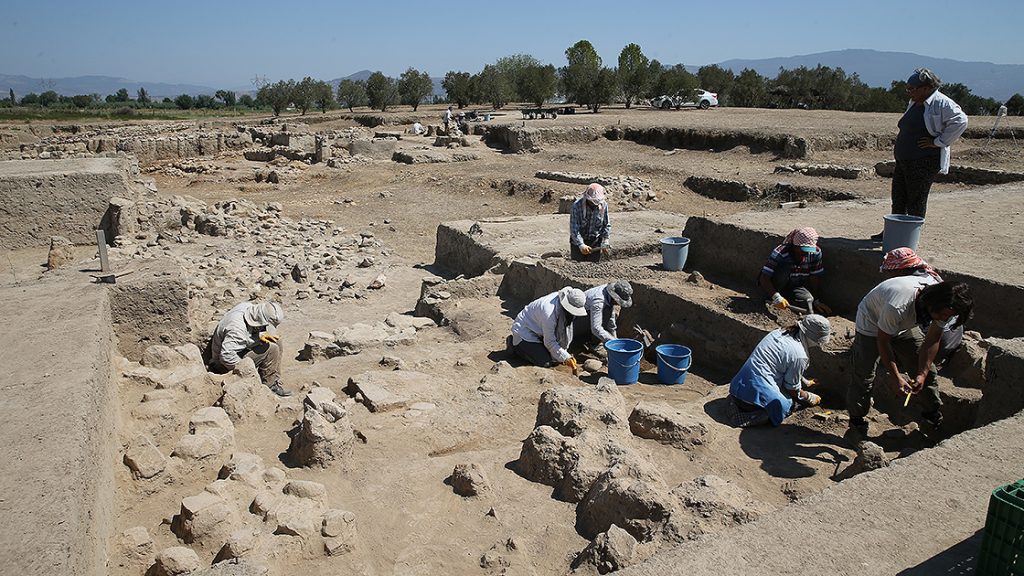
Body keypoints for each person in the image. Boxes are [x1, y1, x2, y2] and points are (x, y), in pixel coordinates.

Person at [847, 279, 973, 440]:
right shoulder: (898, 306)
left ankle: (932, 417)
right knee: (864, 373)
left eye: (948, 316)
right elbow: (883, 341)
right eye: (942, 315)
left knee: (929, 373)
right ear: (932, 303)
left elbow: (933, 339)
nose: (944, 317)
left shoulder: (946, 304)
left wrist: (922, 373)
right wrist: (895, 377)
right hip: (872, 323)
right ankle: (857, 423)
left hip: (903, 325)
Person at [872, 68, 968, 240]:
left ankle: (909, 237)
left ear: (925, 88)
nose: (909, 93)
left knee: (916, 199)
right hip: (905, 159)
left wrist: (938, 142)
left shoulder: (941, 103)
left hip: (923, 160)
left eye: (912, 89)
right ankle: (893, 231)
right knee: (899, 196)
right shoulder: (915, 102)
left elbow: (961, 121)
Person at [726, 315, 831, 427]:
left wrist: (805, 382)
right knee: (786, 405)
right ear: (814, 338)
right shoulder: (800, 355)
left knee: (776, 389)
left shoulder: (779, 332)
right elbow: (792, 389)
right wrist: (808, 397)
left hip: (738, 385)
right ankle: (756, 416)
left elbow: (783, 363)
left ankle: (735, 401)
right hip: (754, 395)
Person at [879, 247, 963, 366]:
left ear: (901, 271)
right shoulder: (932, 277)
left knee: (891, 329)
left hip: (941, 342)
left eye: (890, 273)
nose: (888, 277)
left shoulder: (912, 289)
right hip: (953, 339)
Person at [210, 301, 291, 397]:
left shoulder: (248, 307)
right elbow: (226, 357)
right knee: (272, 349)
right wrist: (248, 371)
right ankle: (269, 387)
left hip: (237, 348)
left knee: (277, 341)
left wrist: (259, 336)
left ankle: (273, 379)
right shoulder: (237, 329)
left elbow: (246, 334)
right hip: (222, 364)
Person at [510, 287, 588, 372]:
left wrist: (564, 353)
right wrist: (565, 357)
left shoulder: (562, 307)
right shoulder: (549, 313)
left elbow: (566, 330)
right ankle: (515, 346)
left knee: (555, 356)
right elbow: (550, 342)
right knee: (545, 362)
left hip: (540, 329)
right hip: (525, 330)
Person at [758, 227, 832, 314]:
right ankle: (772, 296)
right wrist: (776, 297)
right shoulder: (780, 253)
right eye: (802, 250)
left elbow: (814, 277)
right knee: (784, 269)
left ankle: (788, 298)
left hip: (795, 286)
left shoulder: (815, 253)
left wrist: (816, 300)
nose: (805, 254)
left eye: (808, 251)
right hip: (777, 284)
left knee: (808, 299)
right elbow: (764, 277)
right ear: (794, 246)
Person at [574, 280, 633, 348]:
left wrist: (614, 338)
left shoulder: (609, 292)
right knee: (603, 316)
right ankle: (595, 345)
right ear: (615, 297)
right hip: (575, 321)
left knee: (606, 312)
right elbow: (596, 328)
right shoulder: (598, 302)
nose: (618, 304)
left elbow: (611, 319)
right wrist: (614, 342)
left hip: (588, 314)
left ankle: (597, 339)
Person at [569, 183, 611, 262]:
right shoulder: (577, 206)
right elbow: (574, 229)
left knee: (592, 267)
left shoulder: (603, 205)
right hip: (578, 243)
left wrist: (605, 240)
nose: (594, 204)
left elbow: (606, 224)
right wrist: (581, 245)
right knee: (577, 266)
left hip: (595, 242)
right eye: (592, 201)